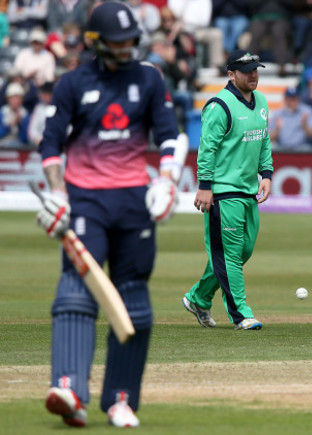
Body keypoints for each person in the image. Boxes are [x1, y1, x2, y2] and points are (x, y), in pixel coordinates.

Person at [37, 2, 182, 428]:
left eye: (129, 40)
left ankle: (121, 400)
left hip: (134, 201)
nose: (126, 49)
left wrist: (168, 182)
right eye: (116, 43)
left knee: (134, 298)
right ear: (95, 42)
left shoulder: (149, 78)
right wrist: (57, 192)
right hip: (85, 202)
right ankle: (69, 389)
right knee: (76, 291)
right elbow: (50, 146)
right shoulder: (73, 83)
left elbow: (170, 136)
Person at [183, 49, 273, 331]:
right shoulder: (218, 106)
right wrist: (205, 186)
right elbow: (206, 149)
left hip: (247, 190)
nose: (254, 75)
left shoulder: (261, 101)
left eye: (256, 70)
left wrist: (266, 173)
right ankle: (241, 314)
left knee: (241, 252)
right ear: (231, 75)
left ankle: (198, 297)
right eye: (247, 71)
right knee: (231, 255)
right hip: (223, 191)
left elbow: (264, 140)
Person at [269, 86, 312, 151]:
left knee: (309, 149)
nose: (293, 101)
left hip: (302, 149)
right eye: (291, 99)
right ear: (285, 99)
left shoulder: (307, 111)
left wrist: (305, 125)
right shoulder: (277, 114)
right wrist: (277, 129)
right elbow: (269, 138)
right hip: (282, 149)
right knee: (271, 150)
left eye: (295, 98)